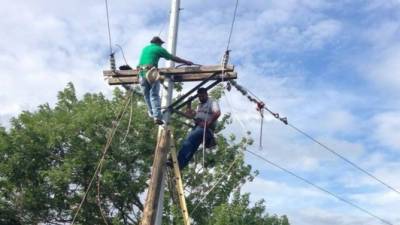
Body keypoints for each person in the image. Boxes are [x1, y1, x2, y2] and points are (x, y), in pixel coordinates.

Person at [138, 36, 193, 125]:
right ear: (159, 43)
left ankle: (153, 114)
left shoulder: (145, 48)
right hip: (150, 73)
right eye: (161, 44)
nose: (161, 45)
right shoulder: (159, 49)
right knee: (154, 95)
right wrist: (186, 62)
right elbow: (172, 57)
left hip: (141, 74)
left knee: (146, 95)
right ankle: (156, 116)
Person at [177, 88, 221, 169]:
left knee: (189, 141)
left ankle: (177, 162)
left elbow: (217, 113)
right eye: (199, 97)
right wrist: (189, 104)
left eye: (202, 96)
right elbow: (189, 115)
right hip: (198, 127)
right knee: (192, 147)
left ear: (206, 94)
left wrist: (207, 123)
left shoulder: (212, 102)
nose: (201, 98)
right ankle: (180, 166)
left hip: (206, 129)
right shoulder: (199, 105)